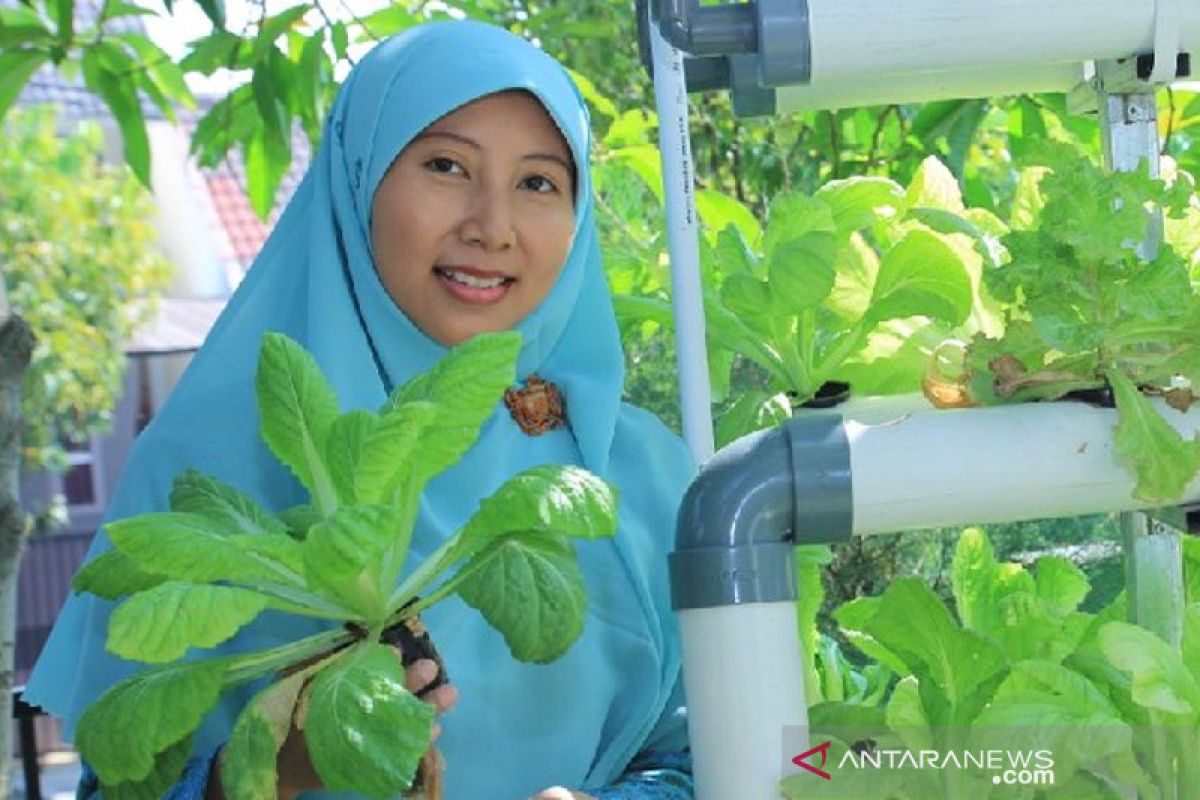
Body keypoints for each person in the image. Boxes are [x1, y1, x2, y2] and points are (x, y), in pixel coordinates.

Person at [25, 18, 697, 800]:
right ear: (359, 179)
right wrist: (274, 770)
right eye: (447, 165)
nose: (493, 225)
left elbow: (719, 752)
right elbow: (119, 784)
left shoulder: (632, 471)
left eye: (538, 182)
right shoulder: (209, 465)